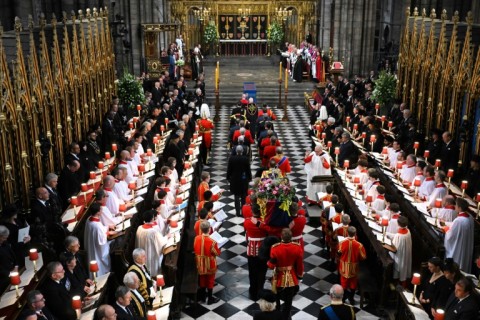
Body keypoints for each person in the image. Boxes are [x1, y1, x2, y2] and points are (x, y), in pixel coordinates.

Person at [267, 228, 304, 317]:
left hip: (278, 277)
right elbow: (299, 264)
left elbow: (271, 266)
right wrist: (299, 275)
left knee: (276, 296)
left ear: (281, 236)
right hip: (291, 276)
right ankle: (286, 315)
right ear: (291, 237)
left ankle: (278, 312)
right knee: (289, 299)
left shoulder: (275, 248)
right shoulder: (297, 247)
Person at [337, 226, 366, 305]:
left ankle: (343, 299)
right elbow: (363, 257)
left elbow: (339, 253)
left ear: (347, 233)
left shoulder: (342, 243)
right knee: (353, 284)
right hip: (354, 268)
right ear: (355, 233)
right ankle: (351, 298)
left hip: (344, 267)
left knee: (343, 283)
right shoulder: (359, 245)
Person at [444, 198, 474, 273]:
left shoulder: (459, 220)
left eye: (456, 205)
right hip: (465, 245)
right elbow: (457, 226)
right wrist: (446, 223)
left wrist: (446, 229)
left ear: (460, 208)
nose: (455, 206)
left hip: (458, 247)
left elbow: (450, 236)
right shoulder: (470, 217)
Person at [244, 204, 267, 300]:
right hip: (262, 248)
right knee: (262, 271)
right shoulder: (264, 222)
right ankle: (260, 289)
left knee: (252, 271)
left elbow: (247, 232)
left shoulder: (247, 222)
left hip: (252, 249)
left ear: (252, 211)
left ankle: (253, 289)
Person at [135, 210, 168, 276]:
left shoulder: (139, 228)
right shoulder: (153, 232)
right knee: (153, 267)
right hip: (151, 255)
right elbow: (161, 242)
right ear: (152, 218)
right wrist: (167, 236)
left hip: (142, 253)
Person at [194, 221, 221, 304]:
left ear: (201, 230)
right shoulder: (212, 241)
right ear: (209, 229)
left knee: (202, 279)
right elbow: (217, 253)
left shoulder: (197, 238)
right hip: (210, 263)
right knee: (210, 280)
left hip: (200, 263)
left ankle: (202, 298)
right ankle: (210, 298)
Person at [84, 203, 113, 276]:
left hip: (92, 246)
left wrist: (107, 227)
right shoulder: (96, 226)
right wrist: (107, 233)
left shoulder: (89, 219)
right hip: (97, 250)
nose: (102, 210)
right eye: (101, 209)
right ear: (98, 212)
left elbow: (100, 230)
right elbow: (102, 243)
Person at [227, 145, 252, 217]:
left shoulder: (232, 159)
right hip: (243, 180)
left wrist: (228, 177)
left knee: (236, 196)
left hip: (234, 180)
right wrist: (250, 178)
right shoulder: (245, 159)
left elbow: (229, 169)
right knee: (244, 196)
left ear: (236, 151)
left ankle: (238, 212)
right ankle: (243, 211)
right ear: (242, 151)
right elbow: (248, 170)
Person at [388, 216, 412, 287]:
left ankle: (396, 285)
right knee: (403, 270)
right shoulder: (408, 231)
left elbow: (394, 247)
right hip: (406, 254)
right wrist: (388, 234)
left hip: (399, 255)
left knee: (398, 270)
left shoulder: (399, 235)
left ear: (398, 224)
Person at [0, 225, 17, 293]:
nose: (6, 239)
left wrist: (16, 266)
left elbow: (13, 255)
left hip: (13, 272)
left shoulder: (5, 243)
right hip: (4, 280)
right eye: (4, 238)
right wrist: (9, 274)